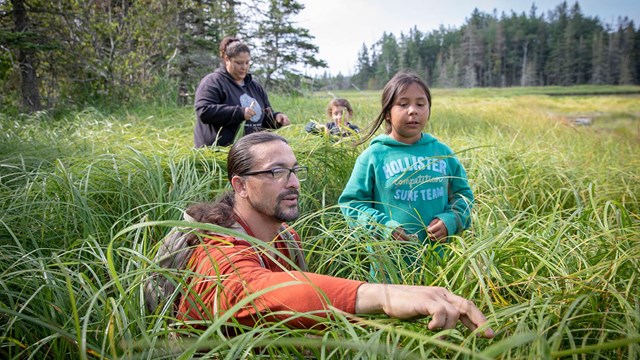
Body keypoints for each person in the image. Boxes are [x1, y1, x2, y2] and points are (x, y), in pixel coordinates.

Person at [149, 132, 493, 337]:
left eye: (295, 170)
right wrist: (383, 297)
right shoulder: (215, 249)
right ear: (240, 185)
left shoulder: (286, 237)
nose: (294, 182)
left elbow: (297, 302)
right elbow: (255, 292)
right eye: (276, 172)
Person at [338, 72, 474, 268]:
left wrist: (450, 220)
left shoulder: (443, 153)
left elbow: (464, 197)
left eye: (421, 104)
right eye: (403, 104)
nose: (413, 111)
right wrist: (384, 228)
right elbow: (351, 205)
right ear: (387, 113)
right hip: (390, 270)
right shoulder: (373, 156)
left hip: (441, 266)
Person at [193, 36, 290, 147]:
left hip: (250, 151)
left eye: (247, 63)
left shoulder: (255, 87)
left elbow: (264, 119)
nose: (244, 67)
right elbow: (204, 111)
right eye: (239, 63)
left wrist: (277, 118)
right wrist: (239, 113)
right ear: (226, 59)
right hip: (219, 151)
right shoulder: (213, 82)